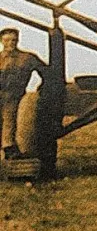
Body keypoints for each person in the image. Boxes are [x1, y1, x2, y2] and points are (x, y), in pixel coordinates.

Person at [0, 27, 48, 161]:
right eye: (7, 40)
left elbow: (47, 73)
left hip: (15, 96)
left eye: (13, 40)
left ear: (18, 40)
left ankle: (10, 149)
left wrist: (41, 88)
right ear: (1, 41)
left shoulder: (26, 58)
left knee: (10, 121)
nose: (10, 43)